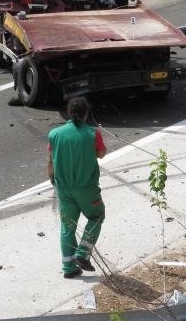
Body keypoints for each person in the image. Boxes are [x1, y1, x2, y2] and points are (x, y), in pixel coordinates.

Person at [47, 97, 107, 279]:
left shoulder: (55, 134)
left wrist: (52, 179)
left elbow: (50, 161)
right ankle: (83, 253)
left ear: (68, 113)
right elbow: (102, 153)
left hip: (64, 188)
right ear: (86, 113)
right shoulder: (92, 133)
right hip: (86, 188)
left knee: (68, 227)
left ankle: (69, 268)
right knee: (97, 216)